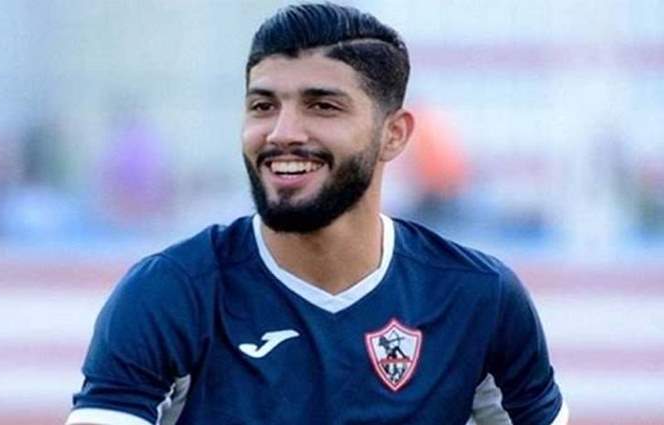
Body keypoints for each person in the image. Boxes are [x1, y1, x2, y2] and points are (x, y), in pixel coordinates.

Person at [66, 3, 568, 425]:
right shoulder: (171, 293)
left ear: (393, 135)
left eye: (322, 106)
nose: (282, 133)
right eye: (263, 106)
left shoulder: (479, 297)